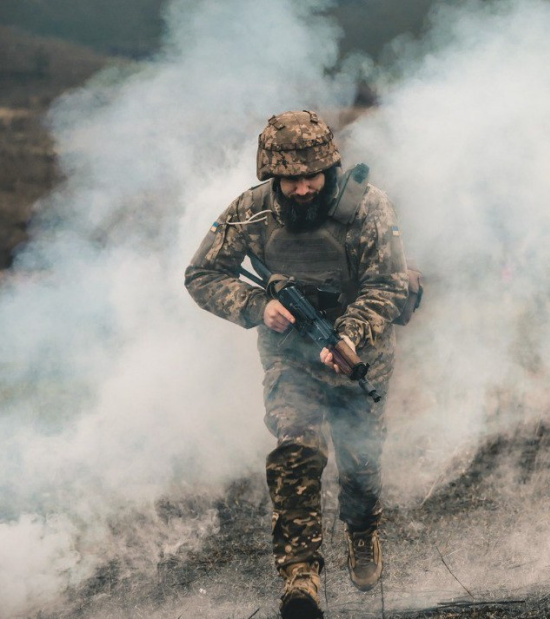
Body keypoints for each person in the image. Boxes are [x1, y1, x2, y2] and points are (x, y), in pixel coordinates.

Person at [185, 110, 409, 618]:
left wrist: (349, 336)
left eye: (312, 175)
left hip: (361, 355)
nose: (303, 188)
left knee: (360, 464)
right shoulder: (250, 212)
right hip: (288, 357)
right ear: (272, 175)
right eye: (291, 179)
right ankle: (300, 576)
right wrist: (255, 307)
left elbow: (388, 285)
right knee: (296, 453)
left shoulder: (370, 208)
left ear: (330, 167)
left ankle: (362, 529)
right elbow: (201, 274)